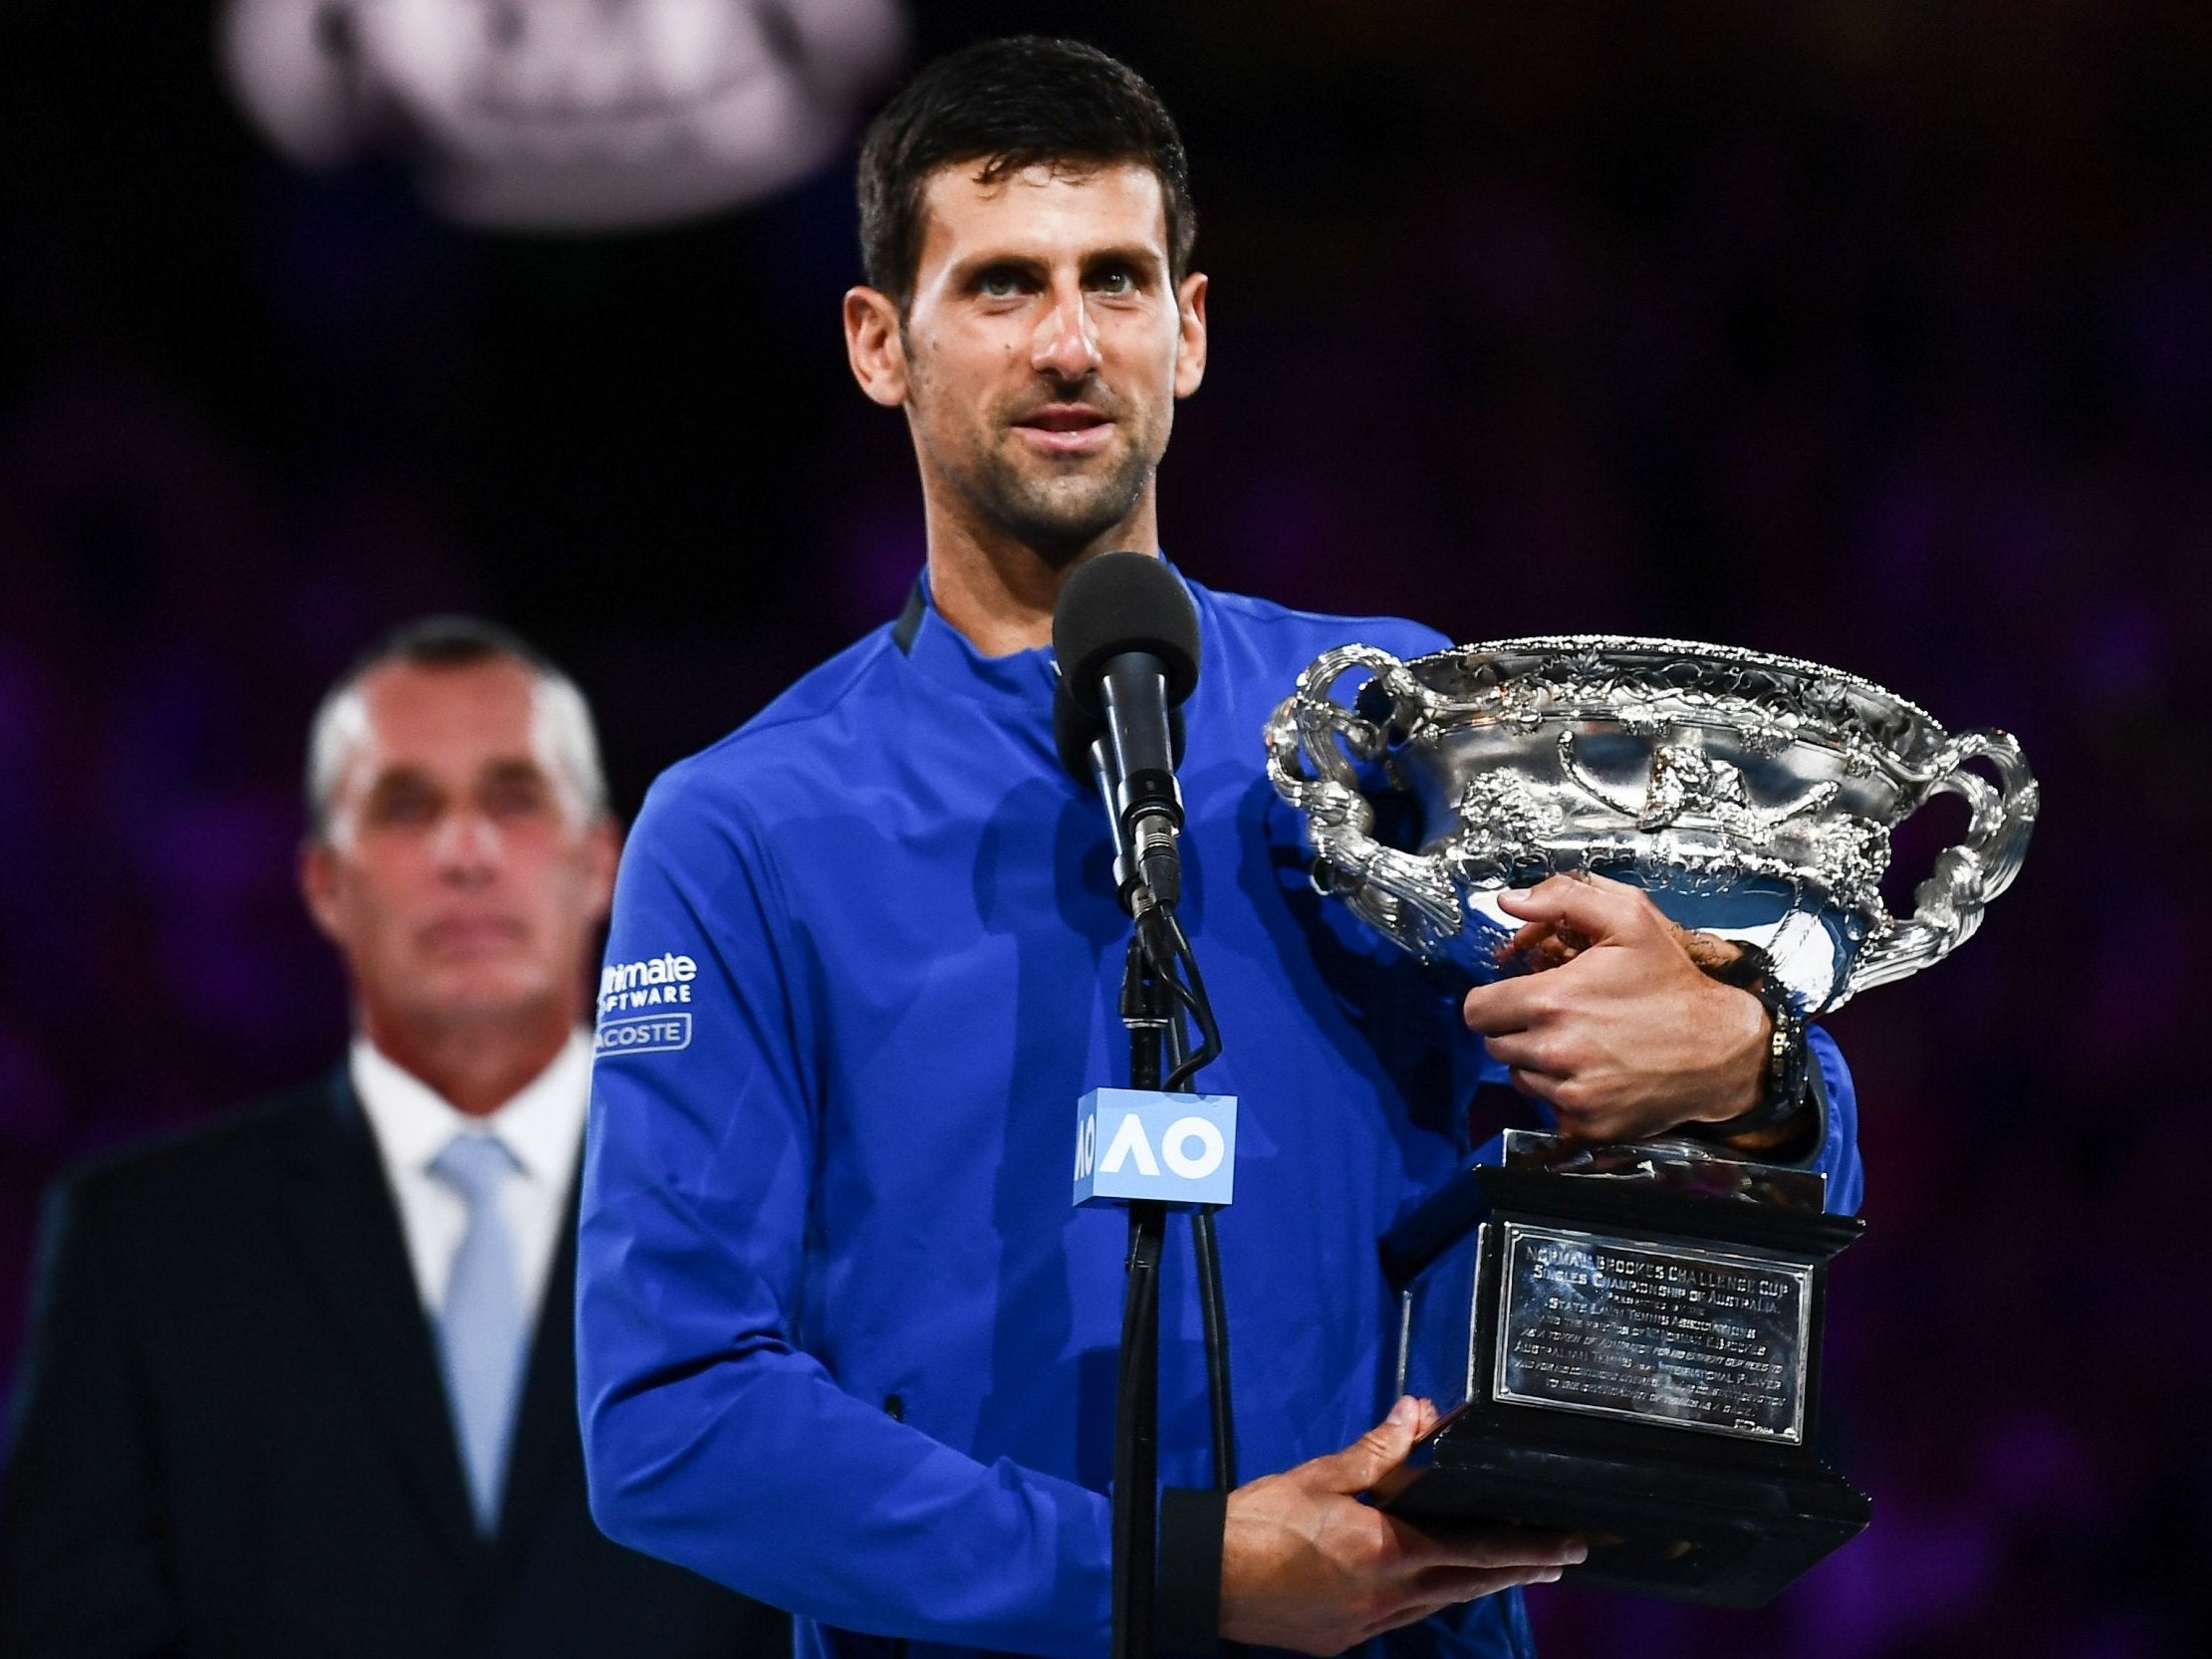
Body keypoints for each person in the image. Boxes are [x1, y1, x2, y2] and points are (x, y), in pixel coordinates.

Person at [578, 37, 1863, 1659]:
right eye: (998, 286)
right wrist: (1163, 1572)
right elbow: (669, 1420)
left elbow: (1738, 1183)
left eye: (1116, 279)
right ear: (878, 343)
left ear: (1189, 331)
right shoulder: (741, 828)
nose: (1067, 342)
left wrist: (1744, 1063)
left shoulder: (1393, 725)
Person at [0, 617, 787, 1659]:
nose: (466, 853)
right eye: (407, 807)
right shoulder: (140, 1243)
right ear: (325, 882)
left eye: (514, 799)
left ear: (604, 863)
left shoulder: (780, 1211)